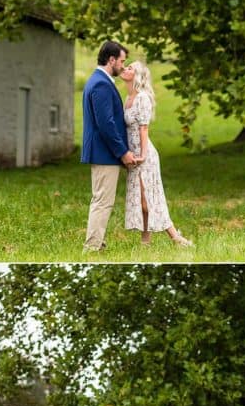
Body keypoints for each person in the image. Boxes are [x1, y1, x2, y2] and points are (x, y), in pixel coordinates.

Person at [119, 61, 193, 247]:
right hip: (133, 156)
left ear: (136, 76)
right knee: (142, 199)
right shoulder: (128, 98)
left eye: (130, 68)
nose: (125, 68)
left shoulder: (142, 98)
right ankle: (146, 242)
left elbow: (144, 129)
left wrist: (142, 155)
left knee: (149, 200)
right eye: (126, 66)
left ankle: (176, 238)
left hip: (145, 156)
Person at [82, 41, 137, 252]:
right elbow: (106, 124)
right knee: (102, 202)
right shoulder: (101, 84)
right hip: (104, 153)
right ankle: (92, 247)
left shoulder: (99, 81)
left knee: (103, 200)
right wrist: (122, 152)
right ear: (111, 59)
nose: (123, 66)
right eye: (122, 61)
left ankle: (98, 244)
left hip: (103, 152)